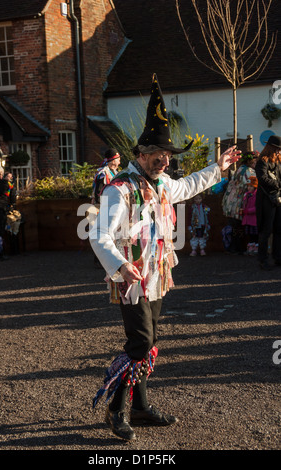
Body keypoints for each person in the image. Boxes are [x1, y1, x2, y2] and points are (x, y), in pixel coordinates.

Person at [89, 73, 241, 441]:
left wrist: (217, 168)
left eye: (167, 155)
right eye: (156, 154)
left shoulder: (162, 185)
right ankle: (116, 410)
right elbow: (99, 234)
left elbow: (189, 185)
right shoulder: (119, 190)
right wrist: (122, 266)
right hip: (131, 279)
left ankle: (139, 409)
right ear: (139, 155)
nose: (163, 160)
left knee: (150, 340)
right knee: (140, 342)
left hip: (157, 276)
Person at [222, 150, 259, 254]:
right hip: (238, 203)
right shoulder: (249, 172)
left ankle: (233, 247)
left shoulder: (240, 169)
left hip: (229, 201)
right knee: (238, 227)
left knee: (234, 226)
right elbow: (253, 186)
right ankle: (237, 248)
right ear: (251, 162)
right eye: (255, 162)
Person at [91, 148, 121, 267]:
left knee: (110, 233)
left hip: (110, 206)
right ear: (114, 160)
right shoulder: (103, 174)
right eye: (118, 159)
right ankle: (99, 260)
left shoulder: (114, 173)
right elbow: (99, 193)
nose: (119, 161)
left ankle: (109, 259)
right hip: (101, 207)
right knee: (102, 232)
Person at [255, 135, 281, 270]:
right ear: (270, 148)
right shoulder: (262, 162)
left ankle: (277, 257)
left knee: (278, 229)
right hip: (265, 201)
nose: (279, 152)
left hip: (277, 199)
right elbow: (263, 179)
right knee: (266, 230)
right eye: (277, 149)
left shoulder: (278, 162)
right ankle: (262, 259)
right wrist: (278, 184)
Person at [241, 176, 258, 255]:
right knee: (249, 234)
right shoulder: (246, 195)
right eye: (248, 186)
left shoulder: (256, 195)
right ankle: (251, 246)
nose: (249, 188)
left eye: (251, 186)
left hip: (253, 219)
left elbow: (257, 208)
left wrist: (247, 211)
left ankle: (256, 247)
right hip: (247, 218)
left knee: (255, 234)